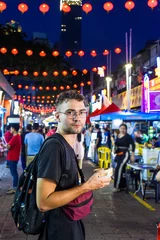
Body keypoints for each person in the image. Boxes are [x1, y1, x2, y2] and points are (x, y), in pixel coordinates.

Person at [36, 90, 111, 240]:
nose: (77, 118)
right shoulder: (55, 147)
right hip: (59, 230)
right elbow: (43, 202)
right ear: (57, 116)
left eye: (81, 112)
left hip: (69, 224)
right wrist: (88, 186)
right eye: (70, 112)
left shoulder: (68, 145)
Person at [113, 123, 135, 193]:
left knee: (118, 169)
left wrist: (132, 155)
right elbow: (116, 145)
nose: (123, 130)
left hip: (125, 154)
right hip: (118, 154)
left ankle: (116, 186)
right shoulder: (118, 135)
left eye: (124, 128)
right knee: (121, 170)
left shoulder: (128, 136)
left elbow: (133, 145)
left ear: (126, 129)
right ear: (119, 129)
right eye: (121, 128)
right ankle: (123, 186)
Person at [6, 124, 21, 194]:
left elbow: (9, 146)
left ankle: (15, 187)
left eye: (11, 128)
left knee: (14, 173)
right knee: (14, 172)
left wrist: (5, 145)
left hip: (12, 157)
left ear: (14, 129)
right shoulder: (17, 137)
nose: (10, 130)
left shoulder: (15, 137)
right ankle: (14, 186)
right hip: (13, 157)